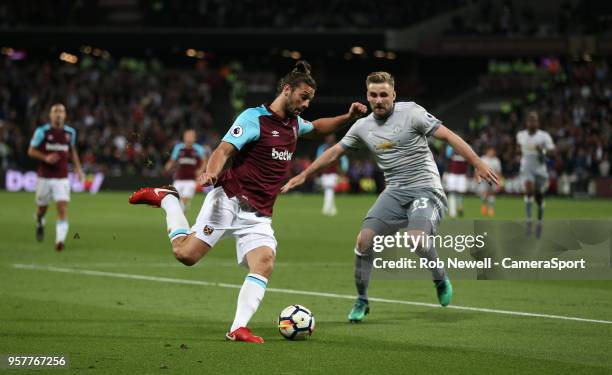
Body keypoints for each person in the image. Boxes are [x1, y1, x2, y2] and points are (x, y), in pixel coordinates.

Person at [129, 61, 367, 343]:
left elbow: (316, 128)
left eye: (310, 100)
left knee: (264, 261)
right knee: (186, 255)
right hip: (229, 200)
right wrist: (211, 172)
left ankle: (237, 327)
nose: (305, 104)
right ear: (287, 90)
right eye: (303, 97)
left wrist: (348, 116)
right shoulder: (254, 118)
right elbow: (223, 149)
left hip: (259, 215)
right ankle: (169, 201)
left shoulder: (293, 125)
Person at [282, 72, 499, 322]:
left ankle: (439, 277)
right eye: (373, 95)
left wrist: (477, 162)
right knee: (364, 241)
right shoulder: (363, 126)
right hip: (395, 192)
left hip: (426, 189)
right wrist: (304, 175)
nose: (379, 100)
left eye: (384, 95)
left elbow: (448, 136)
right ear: (367, 96)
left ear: (394, 95)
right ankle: (362, 300)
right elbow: (334, 152)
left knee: (416, 240)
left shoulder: (412, 113)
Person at [28, 103, 84, 251]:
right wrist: (45, 158)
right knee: (42, 208)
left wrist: (78, 168)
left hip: (62, 177)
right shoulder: (42, 132)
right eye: (55, 111)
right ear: (50, 115)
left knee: (62, 207)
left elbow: (72, 151)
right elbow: (31, 150)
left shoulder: (70, 133)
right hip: (44, 177)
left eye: (61, 111)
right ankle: (40, 220)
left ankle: (59, 241)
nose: (59, 114)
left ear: (65, 115)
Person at [516, 110, 555, 237]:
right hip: (527, 167)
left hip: (540, 170)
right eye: (530, 120)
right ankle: (528, 221)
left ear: (538, 123)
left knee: (539, 197)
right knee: (528, 190)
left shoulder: (544, 136)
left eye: (535, 120)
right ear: (526, 123)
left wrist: (542, 151)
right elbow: (518, 148)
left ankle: (539, 221)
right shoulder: (521, 135)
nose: (532, 123)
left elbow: (553, 153)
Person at [164, 129, 209, 211]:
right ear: (184, 137)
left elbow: (205, 161)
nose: (189, 138)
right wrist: (168, 166)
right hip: (179, 179)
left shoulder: (199, 149)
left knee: (184, 200)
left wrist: (200, 170)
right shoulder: (178, 148)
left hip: (191, 180)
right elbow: (172, 160)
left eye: (191, 136)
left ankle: (180, 217)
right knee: (175, 199)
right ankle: (182, 214)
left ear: (194, 138)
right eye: (187, 136)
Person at [316, 134, 349, 216]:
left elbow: (343, 161)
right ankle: (333, 209)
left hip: (334, 173)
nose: (329, 139)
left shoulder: (338, 147)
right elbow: (318, 159)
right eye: (328, 137)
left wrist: (342, 172)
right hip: (324, 173)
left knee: (329, 189)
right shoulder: (322, 148)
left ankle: (326, 209)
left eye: (331, 138)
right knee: (329, 190)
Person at [443, 144, 468, 218]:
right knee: (452, 193)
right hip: (452, 175)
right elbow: (447, 159)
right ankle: (452, 213)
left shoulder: (464, 152)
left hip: (462, 176)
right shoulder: (450, 150)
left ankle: (460, 206)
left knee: (460, 193)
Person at [479, 147, 502, 217]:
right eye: (490, 151)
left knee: (492, 194)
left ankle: (491, 208)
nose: (491, 153)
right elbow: (478, 169)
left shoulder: (496, 161)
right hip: (484, 179)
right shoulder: (483, 159)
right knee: (484, 194)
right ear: (487, 151)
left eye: (493, 151)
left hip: (493, 180)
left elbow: (498, 172)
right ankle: (484, 206)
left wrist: (499, 181)